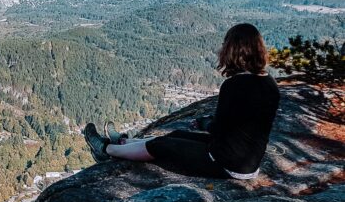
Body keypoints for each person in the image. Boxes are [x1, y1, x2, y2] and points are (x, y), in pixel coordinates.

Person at [84, 23, 280, 179]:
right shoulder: (269, 83)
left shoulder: (234, 85)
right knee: (176, 134)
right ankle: (123, 142)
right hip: (246, 162)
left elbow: (219, 128)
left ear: (233, 50)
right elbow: (241, 123)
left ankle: (106, 149)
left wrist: (205, 123)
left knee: (162, 146)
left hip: (225, 163)